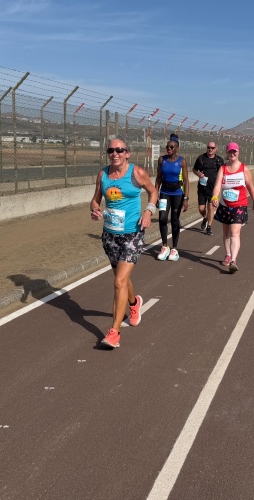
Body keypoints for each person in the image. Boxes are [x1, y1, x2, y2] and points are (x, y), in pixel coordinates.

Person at [90, 136, 158, 349]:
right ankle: (134, 303)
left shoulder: (136, 173)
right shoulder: (103, 175)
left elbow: (153, 192)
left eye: (119, 150)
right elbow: (96, 199)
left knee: (119, 282)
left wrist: (148, 212)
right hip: (110, 236)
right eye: (111, 150)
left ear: (127, 153)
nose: (115, 154)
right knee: (122, 279)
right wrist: (94, 209)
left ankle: (114, 333)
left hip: (132, 234)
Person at [211, 142, 254, 274]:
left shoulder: (244, 169)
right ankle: (228, 254)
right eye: (230, 152)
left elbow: (251, 188)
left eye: (234, 151)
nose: (232, 154)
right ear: (227, 153)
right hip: (225, 206)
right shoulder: (223, 169)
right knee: (226, 233)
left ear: (238, 152)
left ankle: (233, 260)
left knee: (234, 233)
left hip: (239, 206)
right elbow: (217, 187)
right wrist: (214, 197)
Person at [155, 133, 189, 261]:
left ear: (177, 148)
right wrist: (155, 195)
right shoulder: (161, 160)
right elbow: (158, 178)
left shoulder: (182, 161)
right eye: (167, 147)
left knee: (175, 220)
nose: (168, 149)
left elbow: (186, 181)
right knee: (162, 218)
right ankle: (165, 246)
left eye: (171, 147)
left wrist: (186, 198)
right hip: (164, 192)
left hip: (177, 194)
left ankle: (174, 249)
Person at [193, 141, 224, 236]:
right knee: (201, 209)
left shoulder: (219, 160)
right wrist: (198, 174)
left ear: (216, 149)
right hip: (202, 188)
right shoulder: (201, 158)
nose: (210, 149)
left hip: (213, 189)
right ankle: (205, 217)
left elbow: (223, 172)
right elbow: (194, 169)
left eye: (212, 148)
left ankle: (209, 227)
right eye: (208, 147)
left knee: (210, 208)